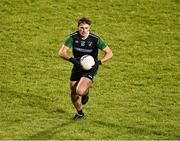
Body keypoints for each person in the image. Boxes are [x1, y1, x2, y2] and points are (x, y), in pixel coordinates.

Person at [58, 17, 113, 120]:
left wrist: (99, 62)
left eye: (86, 28)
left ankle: (86, 91)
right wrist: (72, 60)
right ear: (78, 28)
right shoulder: (73, 38)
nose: (84, 30)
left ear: (89, 28)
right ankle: (80, 113)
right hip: (77, 66)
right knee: (73, 93)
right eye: (81, 28)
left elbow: (109, 53)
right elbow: (61, 52)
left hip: (90, 67)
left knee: (80, 91)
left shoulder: (95, 39)